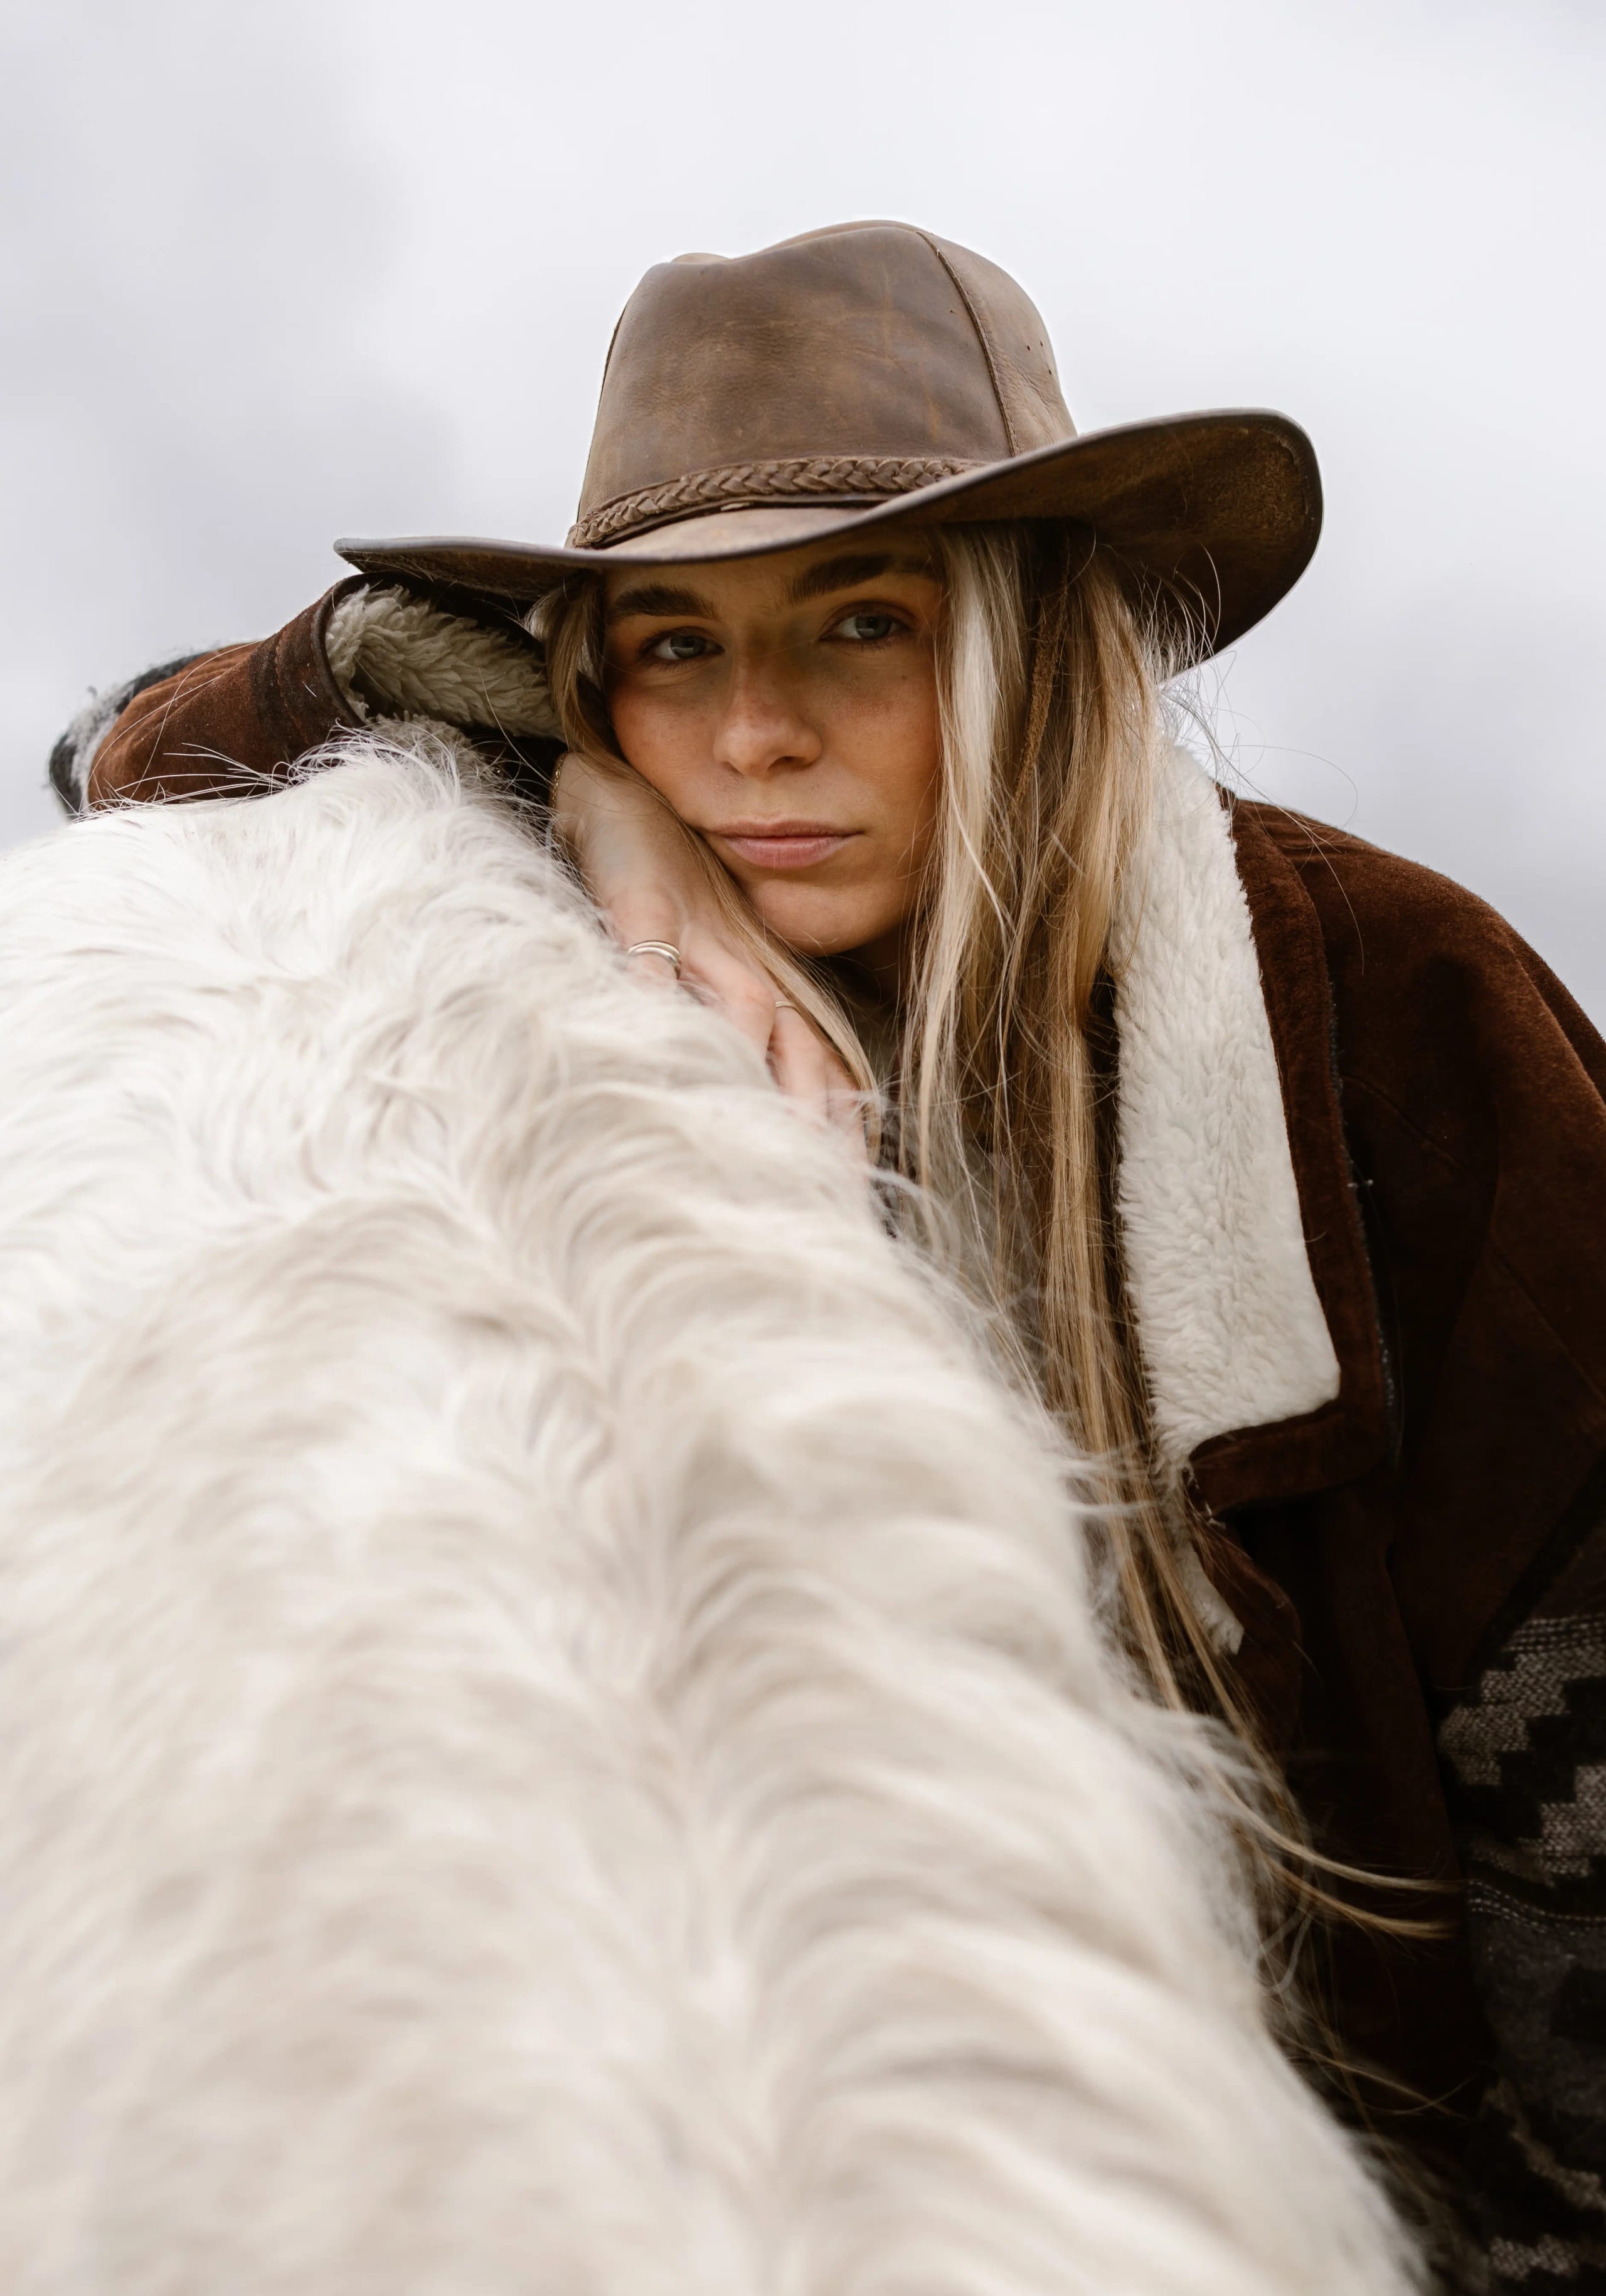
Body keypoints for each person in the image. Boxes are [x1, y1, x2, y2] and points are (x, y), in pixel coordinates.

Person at [52, 221, 1606, 2282]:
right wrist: (587, 794)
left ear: (1035, 642)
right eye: (673, 646)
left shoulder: (1397, 1018)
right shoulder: (601, 945)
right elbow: (125, 772)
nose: (755, 735)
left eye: (861, 623)